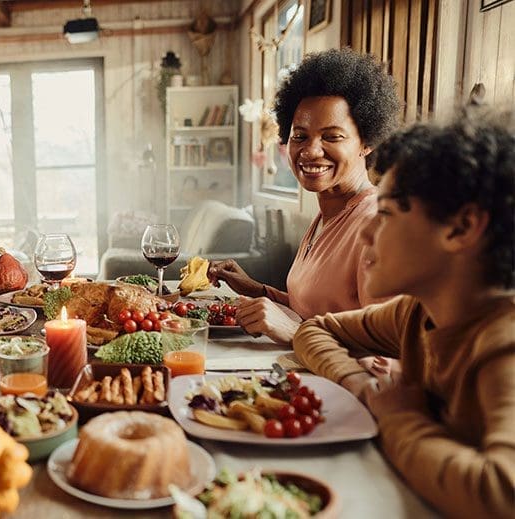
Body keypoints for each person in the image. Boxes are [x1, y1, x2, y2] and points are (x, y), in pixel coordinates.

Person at [293, 108, 514, 518]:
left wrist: (398, 419)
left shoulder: (503, 345)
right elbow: (313, 332)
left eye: (387, 214)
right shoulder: (413, 313)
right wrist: (363, 388)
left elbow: (502, 493)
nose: (365, 232)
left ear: (461, 228)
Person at [207, 48, 401, 344]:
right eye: (300, 136)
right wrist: (256, 290)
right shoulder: (327, 213)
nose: (310, 151)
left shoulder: (377, 224)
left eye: (332, 136)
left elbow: (390, 349)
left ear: (367, 142)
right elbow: (311, 308)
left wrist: (294, 333)